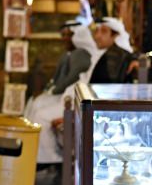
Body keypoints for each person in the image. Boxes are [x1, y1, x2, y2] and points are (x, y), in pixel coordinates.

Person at [26, 23, 98, 167]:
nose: (65, 39)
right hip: (70, 95)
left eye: (69, 35)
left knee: (40, 114)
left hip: (74, 99)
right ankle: (34, 152)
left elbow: (71, 78)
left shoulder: (81, 54)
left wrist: (54, 90)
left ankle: (50, 158)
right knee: (35, 105)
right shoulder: (73, 53)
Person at [90, 17, 137, 84]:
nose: (97, 36)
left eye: (104, 31)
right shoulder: (100, 54)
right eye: (97, 31)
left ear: (115, 36)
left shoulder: (118, 55)